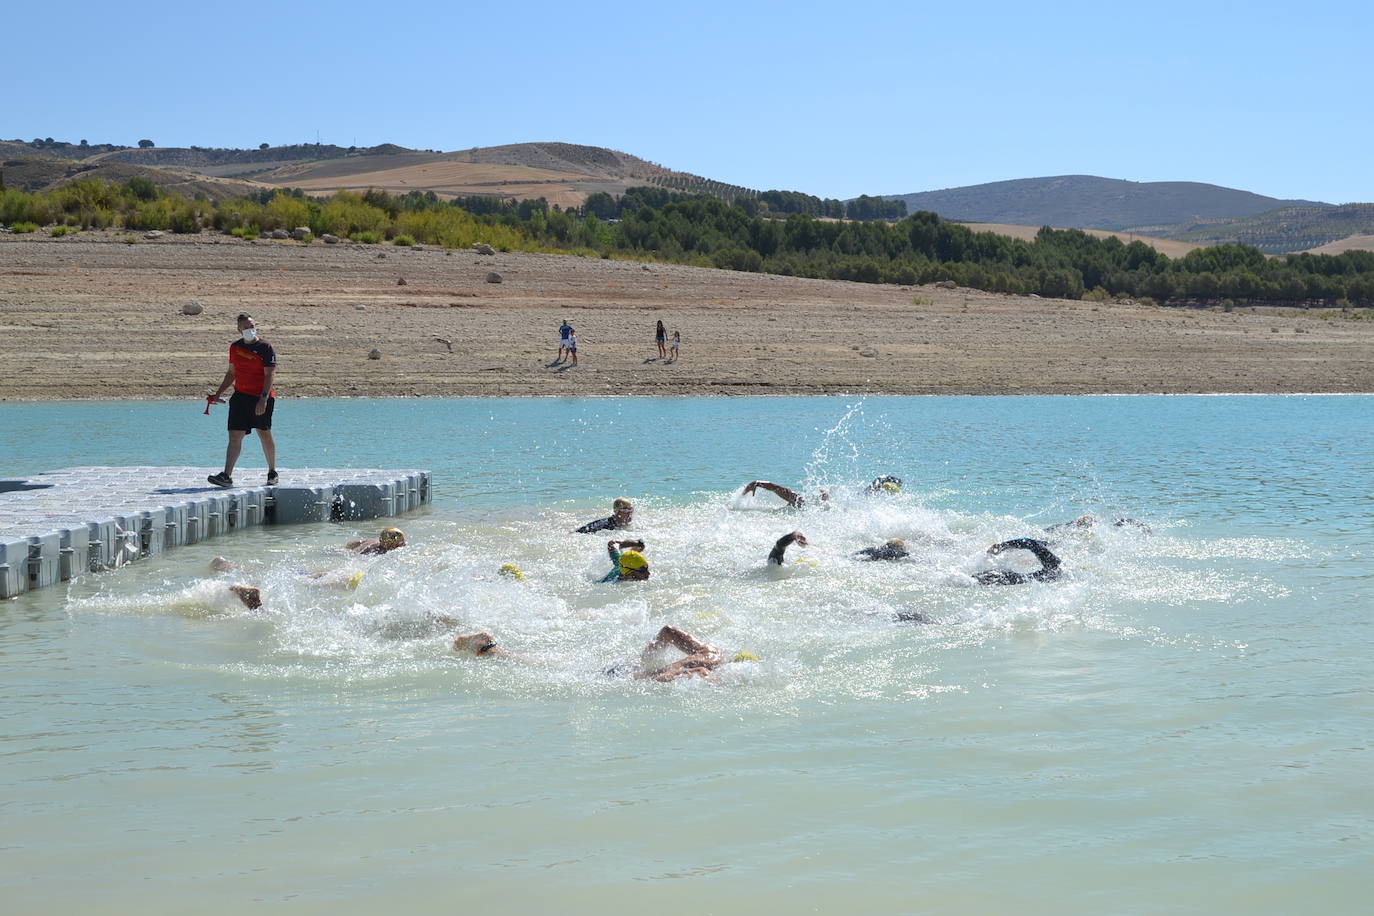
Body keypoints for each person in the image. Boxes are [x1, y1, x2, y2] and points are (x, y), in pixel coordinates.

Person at [206, 313, 278, 488]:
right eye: (245, 327)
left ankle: (272, 472)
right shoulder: (235, 347)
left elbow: (270, 375)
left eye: (251, 326)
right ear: (239, 329)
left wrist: (263, 399)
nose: (249, 330)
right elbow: (231, 373)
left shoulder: (265, 347)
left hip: (261, 396)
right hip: (240, 397)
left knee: (264, 433)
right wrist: (218, 393)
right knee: (234, 435)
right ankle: (226, 476)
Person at [973, 538, 1063, 585]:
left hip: (1005, 579)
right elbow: (1028, 542)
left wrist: (1002, 546)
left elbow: (1028, 542)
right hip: (1004, 579)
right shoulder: (1054, 565)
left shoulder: (1055, 568)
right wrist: (1001, 546)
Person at [741, 480, 827, 509]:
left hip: (798, 502)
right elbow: (774, 487)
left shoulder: (812, 505)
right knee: (776, 488)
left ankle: (755, 484)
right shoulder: (800, 500)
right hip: (798, 499)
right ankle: (755, 484)